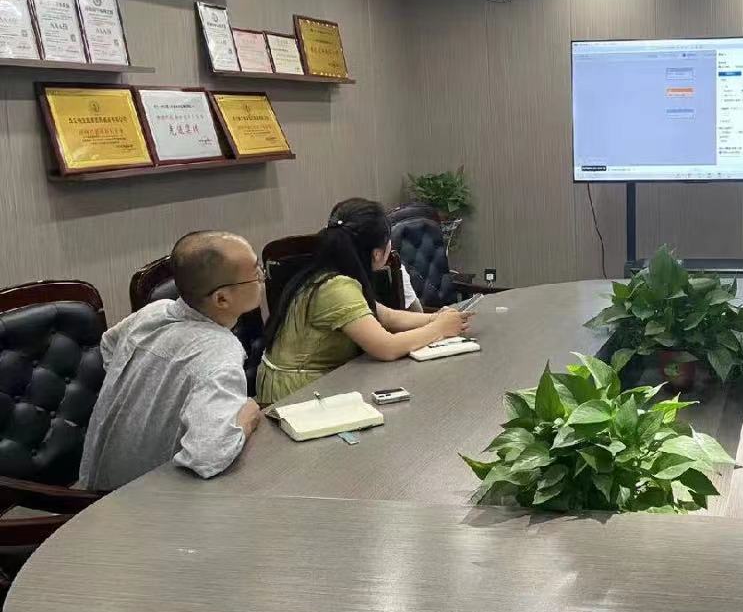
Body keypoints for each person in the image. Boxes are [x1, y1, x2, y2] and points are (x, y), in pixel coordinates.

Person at [78, 232, 264, 490]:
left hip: (100, 478)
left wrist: (147, 395)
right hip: (146, 499)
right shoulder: (219, 350)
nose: (262, 276)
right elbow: (207, 456)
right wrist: (246, 418)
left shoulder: (153, 312)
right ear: (222, 299)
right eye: (255, 274)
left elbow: (109, 344)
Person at [257, 198, 469, 405]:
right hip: (296, 395)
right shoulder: (337, 288)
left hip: (312, 383)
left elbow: (386, 316)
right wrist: (439, 329)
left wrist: (435, 318)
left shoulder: (329, 271)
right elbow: (386, 347)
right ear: (377, 254)